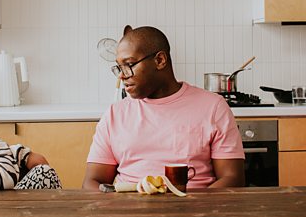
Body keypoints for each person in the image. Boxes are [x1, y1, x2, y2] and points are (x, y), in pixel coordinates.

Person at [83, 25, 245, 190]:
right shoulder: (114, 114)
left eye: (129, 65)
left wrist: (194, 208)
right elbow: (92, 181)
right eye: (119, 67)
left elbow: (232, 178)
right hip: (130, 211)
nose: (122, 75)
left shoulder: (214, 107)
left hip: (196, 211)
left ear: (160, 60)